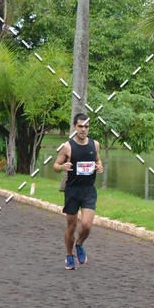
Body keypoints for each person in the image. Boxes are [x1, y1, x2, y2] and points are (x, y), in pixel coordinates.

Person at [53, 114, 103, 270]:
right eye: (80, 126)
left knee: (87, 225)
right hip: (72, 191)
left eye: (86, 126)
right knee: (72, 226)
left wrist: (99, 166)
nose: (83, 130)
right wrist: (62, 167)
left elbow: (97, 160)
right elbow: (55, 165)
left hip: (88, 190)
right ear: (74, 127)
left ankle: (79, 244)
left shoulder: (95, 145)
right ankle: (69, 255)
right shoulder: (67, 147)